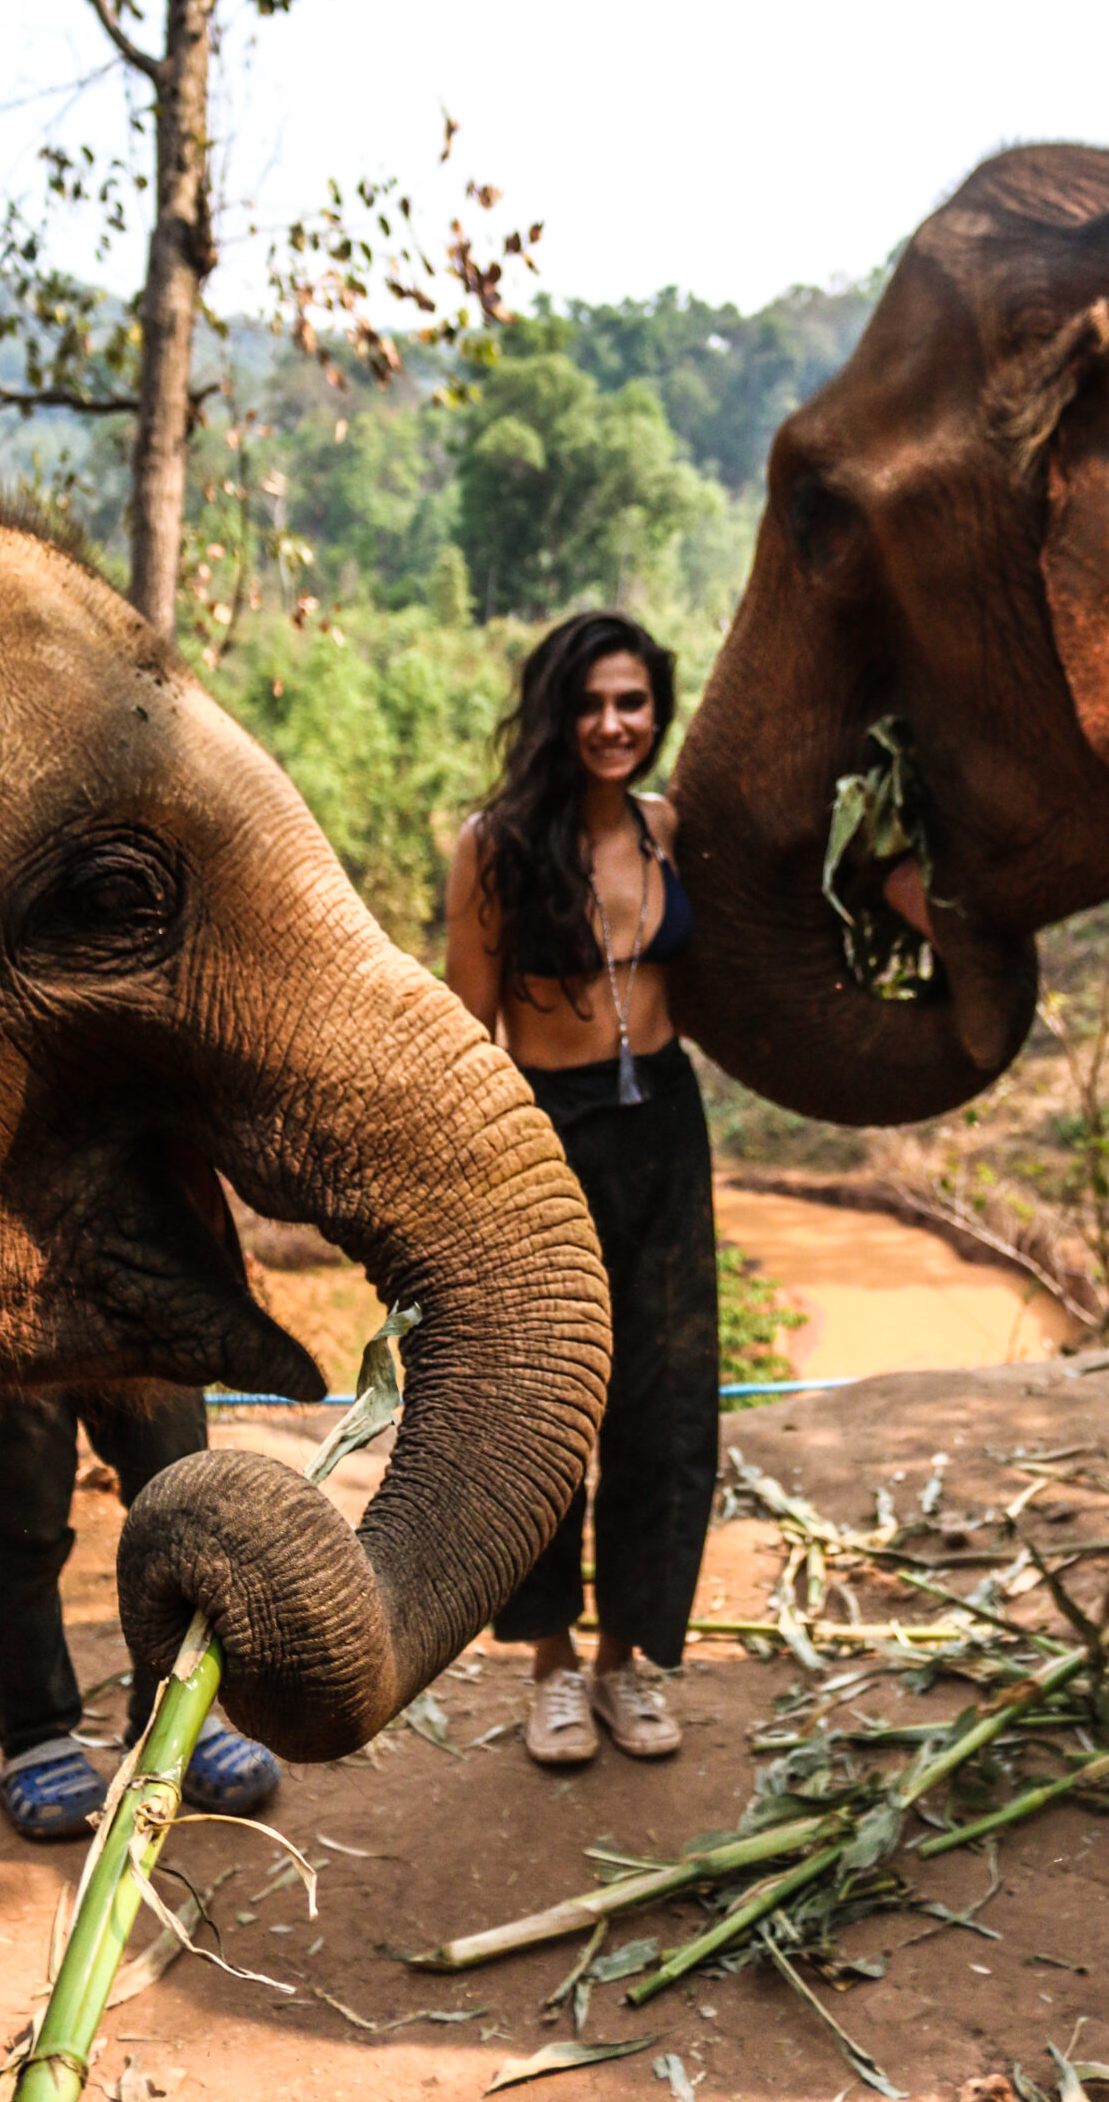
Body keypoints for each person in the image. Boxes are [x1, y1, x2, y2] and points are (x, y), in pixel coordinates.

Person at [445, 611, 719, 1767]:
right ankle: (552, 1667)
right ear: (559, 712)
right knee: (551, 1412)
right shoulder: (494, 847)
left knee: (665, 1412)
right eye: (594, 704)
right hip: (545, 1139)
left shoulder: (666, 830)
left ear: (656, 714)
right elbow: (468, 1027)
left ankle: (624, 1666)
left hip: (666, 1131)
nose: (615, 725)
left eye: (635, 703)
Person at [0, 1388, 284, 1840]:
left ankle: (174, 1721)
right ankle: (34, 1736)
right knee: (22, 1530)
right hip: (18, 1331)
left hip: (150, 1325)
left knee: (182, 1518)